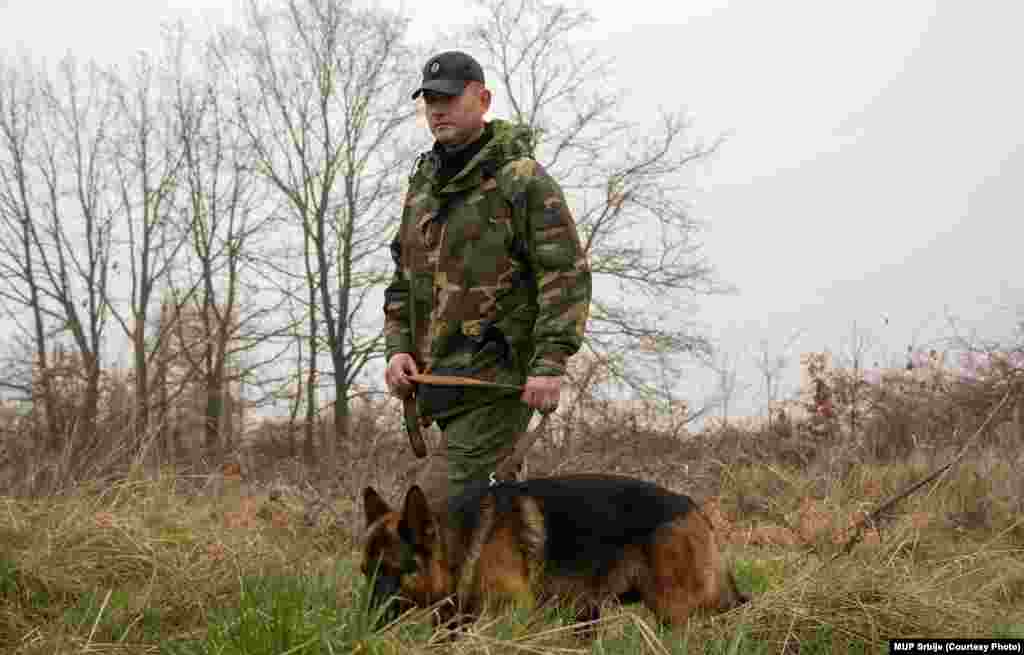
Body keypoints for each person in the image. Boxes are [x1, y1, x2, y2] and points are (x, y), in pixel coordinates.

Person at [383, 51, 591, 517]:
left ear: (482, 99)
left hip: (498, 384)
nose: (438, 110)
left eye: (450, 98)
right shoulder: (423, 187)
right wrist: (397, 349)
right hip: (440, 386)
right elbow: (403, 279)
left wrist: (551, 361)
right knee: (489, 523)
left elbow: (565, 273)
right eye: (430, 100)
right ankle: (523, 591)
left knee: (428, 518)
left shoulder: (521, 181)